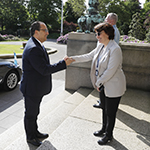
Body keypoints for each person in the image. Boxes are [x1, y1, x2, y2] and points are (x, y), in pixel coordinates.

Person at [70, 23, 126, 145]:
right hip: (102, 84)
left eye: (99, 33)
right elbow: (89, 56)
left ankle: (109, 135)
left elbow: (110, 70)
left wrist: (98, 82)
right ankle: (103, 129)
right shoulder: (101, 46)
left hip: (113, 86)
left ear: (107, 34)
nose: (97, 36)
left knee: (111, 112)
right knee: (104, 109)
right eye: (96, 34)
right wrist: (72, 59)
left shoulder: (115, 49)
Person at [20, 21, 74, 147]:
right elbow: (44, 69)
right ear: (36, 32)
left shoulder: (36, 44)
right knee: (30, 114)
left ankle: (35, 131)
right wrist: (63, 64)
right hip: (31, 89)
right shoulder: (33, 48)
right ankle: (31, 137)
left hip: (34, 88)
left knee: (34, 112)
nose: (47, 33)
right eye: (45, 30)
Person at [93, 12, 120, 109]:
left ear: (111, 21)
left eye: (106, 19)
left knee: (104, 83)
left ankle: (103, 103)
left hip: (106, 63)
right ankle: (103, 101)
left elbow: (111, 49)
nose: (104, 20)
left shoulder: (114, 32)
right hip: (104, 61)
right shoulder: (113, 30)